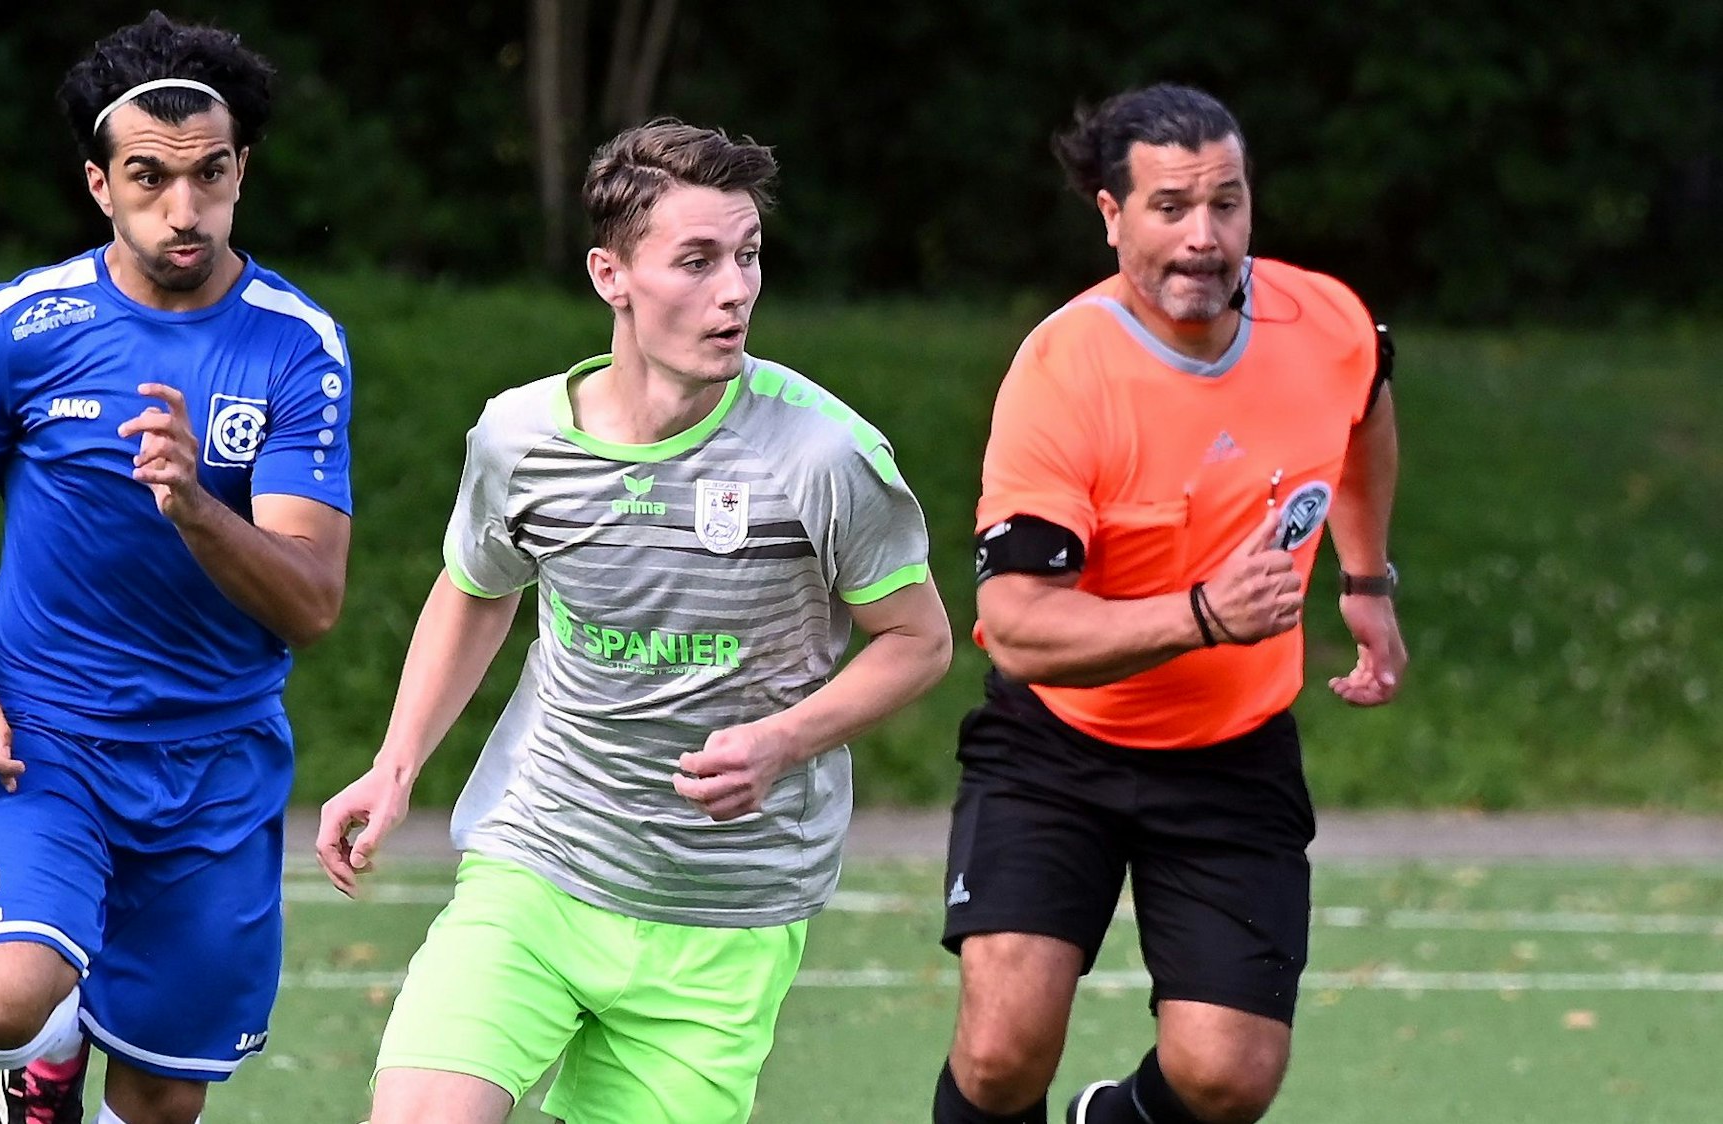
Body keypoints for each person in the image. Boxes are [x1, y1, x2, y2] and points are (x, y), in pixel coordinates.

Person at [316, 118, 953, 1124]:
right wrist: (396, 765)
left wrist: (782, 739)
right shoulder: (521, 437)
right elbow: (478, 587)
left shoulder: (823, 456)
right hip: (541, 859)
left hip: (726, 910)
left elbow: (919, 640)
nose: (734, 288)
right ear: (610, 274)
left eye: (746, 255)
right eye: (695, 260)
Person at [0, 13, 353, 1124]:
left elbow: (312, 599)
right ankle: (41, 1056)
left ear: (242, 172)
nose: (182, 210)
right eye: (148, 177)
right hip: (40, 730)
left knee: (159, 1102)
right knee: (3, 996)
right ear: (100, 183)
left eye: (209, 175)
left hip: (213, 757)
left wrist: (194, 505)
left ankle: (78, 1071)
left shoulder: (294, 346)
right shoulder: (20, 327)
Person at [931, 84, 1407, 1124]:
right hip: (1059, 745)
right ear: (1110, 215)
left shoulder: (1321, 318)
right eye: (1170, 207)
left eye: (1227, 205)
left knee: (1227, 1075)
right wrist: (1199, 615)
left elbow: (1365, 401)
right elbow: (1016, 623)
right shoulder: (1063, 372)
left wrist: (1364, 579)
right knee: (1004, 1047)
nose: (1205, 238)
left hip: (1232, 750)